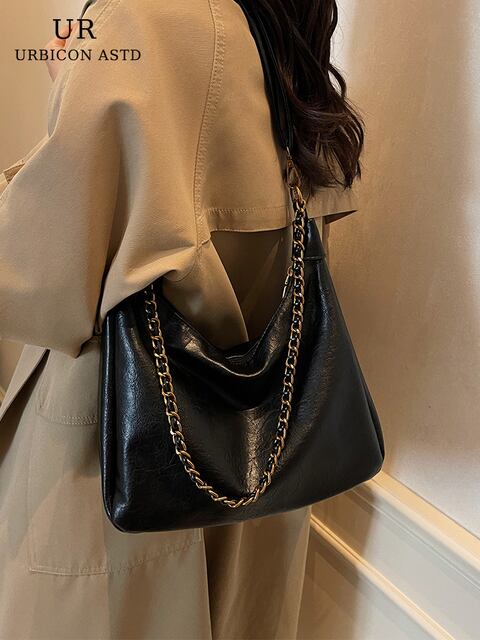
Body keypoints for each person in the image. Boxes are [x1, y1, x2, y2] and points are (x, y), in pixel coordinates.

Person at [0, 0, 364, 638]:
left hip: (114, 457)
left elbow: (32, 280)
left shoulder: (141, 22)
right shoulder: (277, 27)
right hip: (264, 465)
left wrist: (72, 93)